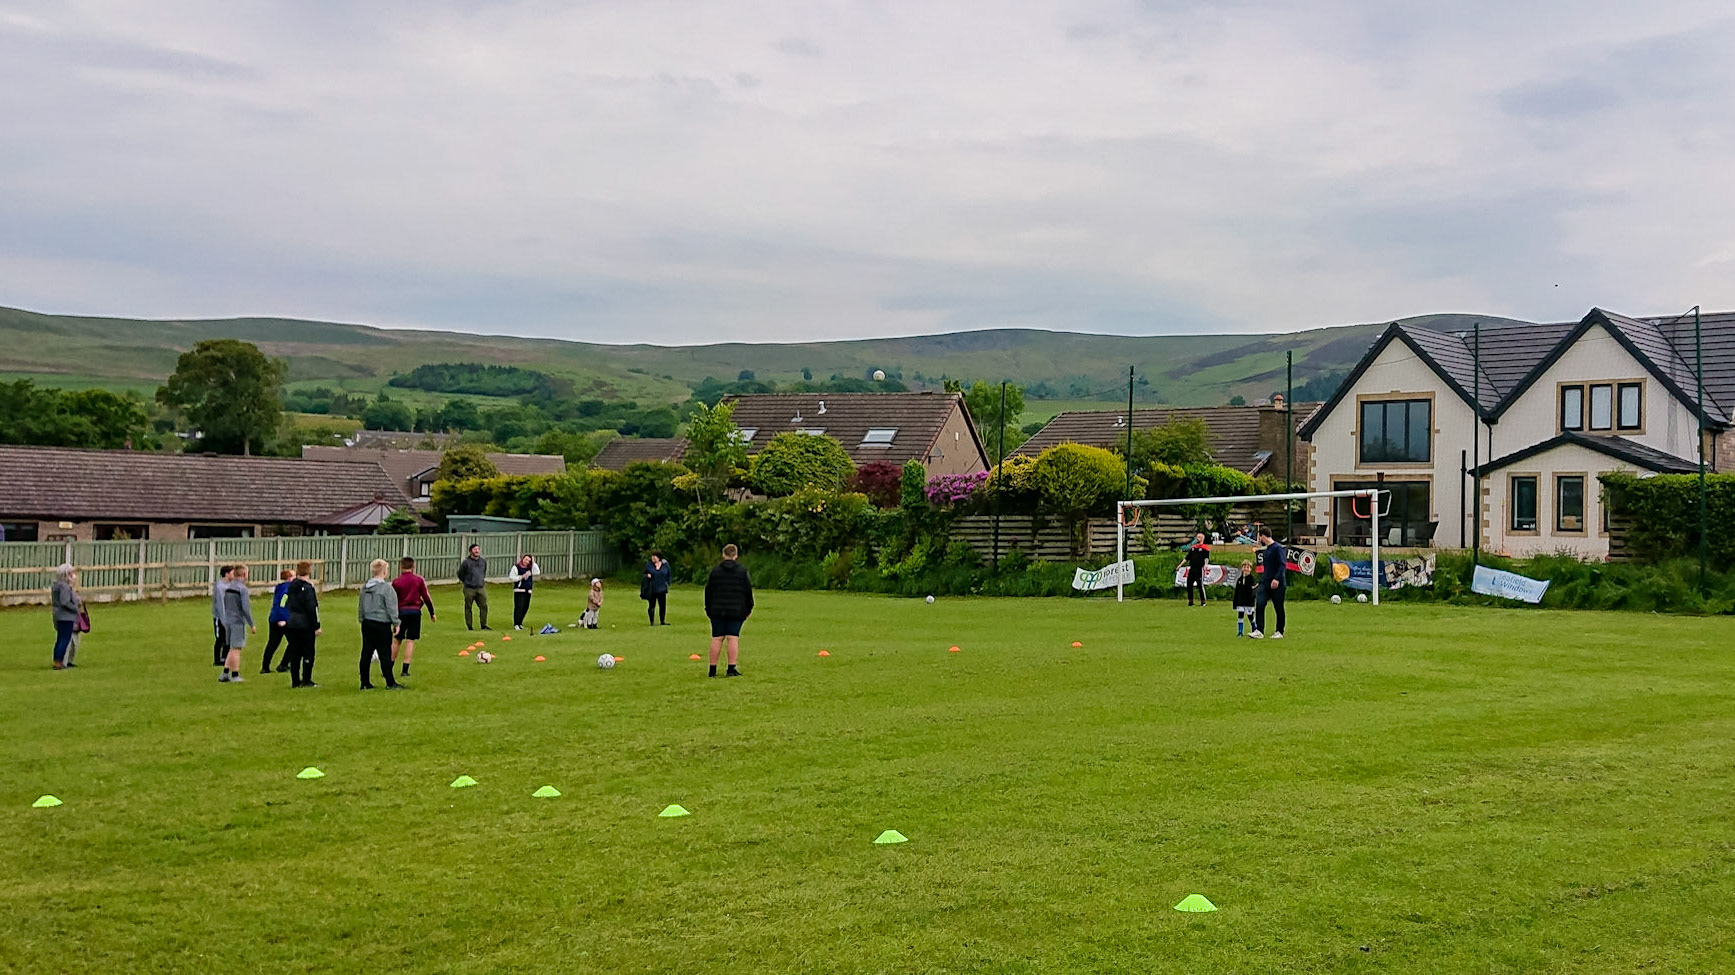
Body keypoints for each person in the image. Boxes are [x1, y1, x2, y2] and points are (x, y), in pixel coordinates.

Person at [703, 544, 753, 678]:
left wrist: (708, 609)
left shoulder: (715, 572)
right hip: (736, 610)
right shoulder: (742, 572)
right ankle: (731, 668)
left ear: (723, 555)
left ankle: (712, 669)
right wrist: (748, 609)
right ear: (735, 555)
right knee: (732, 638)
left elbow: (708, 592)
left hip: (717, 610)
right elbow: (748, 592)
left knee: (717, 638)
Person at [359, 559, 405, 690]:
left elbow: (361, 605)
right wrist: (396, 622)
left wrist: (361, 618)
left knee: (366, 652)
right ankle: (390, 682)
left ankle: (364, 682)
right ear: (385, 572)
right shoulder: (386, 588)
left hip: (367, 622)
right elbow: (391, 607)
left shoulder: (365, 587)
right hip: (381, 623)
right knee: (385, 653)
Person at [391, 557, 435, 679]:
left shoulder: (396, 582)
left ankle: (389, 666)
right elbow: (426, 597)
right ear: (413, 566)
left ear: (401, 566)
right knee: (410, 640)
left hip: (401, 613)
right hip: (415, 612)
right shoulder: (418, 580)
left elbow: (393, 600)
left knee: (397, 640)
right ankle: (405, 669)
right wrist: (432, 613)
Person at [283, 560, 323, 688]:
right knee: (308, 652)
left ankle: (295, 680)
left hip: (291, 622)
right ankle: (306, 679)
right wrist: (317, 625)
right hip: (305, 624)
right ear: (309, 571)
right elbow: (312, 608)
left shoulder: (291, 586)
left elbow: (286, 601)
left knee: (295, 652)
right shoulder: (308, 588)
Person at [220, 564, 257, 683]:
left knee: (231, 648)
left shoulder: (228, 588)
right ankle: (235, 674)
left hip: (228, 620)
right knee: (237, 648)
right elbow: (245, 608)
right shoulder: (242, 589)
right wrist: (252, 624)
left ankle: (225, 673)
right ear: (244, 574)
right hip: (238, 621)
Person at [1250, 529, 1286, 640]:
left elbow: (1282, 565)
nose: (1259, 540)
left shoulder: (1278, 548)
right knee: (1260, 604)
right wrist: (1260, 582)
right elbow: (1267, 570)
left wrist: (1277, 578)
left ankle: (1279, 631)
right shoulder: (1266, 551)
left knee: (1278, 607)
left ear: (1264, 536)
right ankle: (1259, 630)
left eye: (1259, 537)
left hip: (1277, 584)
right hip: (1265, 583)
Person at [261, 569, 293, 674]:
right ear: (289, 578)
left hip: (273, 617)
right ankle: (283, 664)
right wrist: (282, 618)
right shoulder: (287, 588)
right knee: (294, 642)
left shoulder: (279, 587)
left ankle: (265, 667)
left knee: (273, 643)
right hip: (283, 619)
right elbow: (282, 602)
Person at [50, 563, 82, 670]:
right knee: (64, 639)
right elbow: (65, 602)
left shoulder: (58, 585)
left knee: (61, 639)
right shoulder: (64, 586)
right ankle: (59, 662)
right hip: (65, 616)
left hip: (60, 616)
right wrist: (75, 608)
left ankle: (60, 660)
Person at [458, 544, 489, 631]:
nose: (477, 551)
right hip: (469, 588)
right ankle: (469, 626)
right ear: (471, 551)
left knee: (484, 606)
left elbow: (484, 572)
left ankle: (484, 625)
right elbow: (460, 574)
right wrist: (467, 581)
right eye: (475, 549)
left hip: (480, 587)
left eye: (478, 549)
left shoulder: (483, 562)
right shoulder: (466, 562)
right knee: (468, 607)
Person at [509, 554, 541, 630]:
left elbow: (537, 572)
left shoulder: (530, 569)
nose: (527, 562)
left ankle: (520, 623)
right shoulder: (516, 567)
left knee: (525, 607)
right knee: (519, 607)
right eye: (526, 559)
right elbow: (512, 577)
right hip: (519, 590)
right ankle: (516, 623)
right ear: (522, 559)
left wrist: (533, 563)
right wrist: (521, 577)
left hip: (528, 590)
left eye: (529, 560)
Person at [211, 564, 234, 667]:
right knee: (220, 638)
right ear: (227, 574)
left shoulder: (231, 585)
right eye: (232, 573)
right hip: (220, 617)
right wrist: (223, 620)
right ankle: (217, 660)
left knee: (228, 638)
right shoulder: (220, 587)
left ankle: (225, 657)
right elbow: (220, 604)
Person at [642, 551, 671, 626]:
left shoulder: (665, 565)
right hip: (652, 589)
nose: (652, 558)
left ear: (658, 558)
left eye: (654, 556)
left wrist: (667, 583)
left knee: (662, 606)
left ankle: (662, 621)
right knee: (652, 606)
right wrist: (647, 576)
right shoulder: (649, 565)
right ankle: (652, 621)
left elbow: (669, 574)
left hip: (662, 589)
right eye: (652, 556)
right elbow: (644, 574)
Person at [1183, 532, 1211, 607]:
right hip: (1192, 569)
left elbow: (1206, 558)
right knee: (1189, 585)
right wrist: (1180, 565)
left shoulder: (1205, 548)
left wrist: (1206, 564)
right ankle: (1190, 601)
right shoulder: (1193, 548)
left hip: (1199, 569)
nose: (1197, 538)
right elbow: (1187, 557)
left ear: (1202, 538)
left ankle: (1203, 601)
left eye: (1198, 537)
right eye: (1197, 537)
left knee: (1200, 586)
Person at [1232, 560, 1257, 637]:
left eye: (1248, 567)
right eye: (1244, 567)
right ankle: (1240, 631)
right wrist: (1235, 602)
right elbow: (1237, 592)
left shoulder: (1252, 579)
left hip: (1249, 602)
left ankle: (1254, 628)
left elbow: (1254, 591)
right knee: (1240, 616)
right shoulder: (1239, 580)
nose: (1246, 569)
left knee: (1250, 616)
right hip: (1241, 602)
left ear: (1250, 569)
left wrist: (1252, 599)